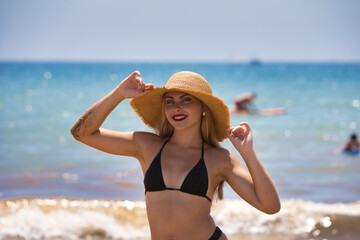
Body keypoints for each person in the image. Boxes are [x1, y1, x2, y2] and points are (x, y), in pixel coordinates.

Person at [71, 71, 280, 240]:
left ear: (203, 109)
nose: (176, 107)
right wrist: (119, 94)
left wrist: (247, 152)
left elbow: (270, 206)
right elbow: (81, 133)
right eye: (169, 101)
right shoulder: (146, 146)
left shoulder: (219, 159)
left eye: (186, 100)